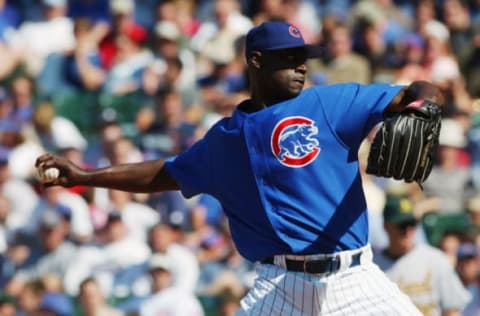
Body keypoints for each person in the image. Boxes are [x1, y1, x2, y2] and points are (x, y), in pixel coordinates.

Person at [36, 21, 445, 314]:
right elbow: (164, 174)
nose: (301, 66)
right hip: (281, 289)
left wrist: (422, 106)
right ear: (256, 61)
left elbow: (416, 90)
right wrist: (86, 175)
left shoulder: (329, 103)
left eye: (303, 58)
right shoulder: (224, 139)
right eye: (289, 59)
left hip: (355, 280)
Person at [374, 195, 471, 316]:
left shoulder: (436, 259)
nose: (408, 231)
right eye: (402, 226)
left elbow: (452, 310)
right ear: (386, 226)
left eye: (412, 224)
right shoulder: (373, 267)